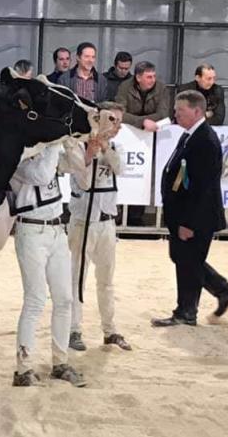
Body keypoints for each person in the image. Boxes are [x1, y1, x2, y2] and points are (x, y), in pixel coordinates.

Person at [152, 90, 228, 327]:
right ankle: (224, 290)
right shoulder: (191, 135)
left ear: (196, 111)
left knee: (188, 261)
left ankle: (186, 312)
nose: (176, 114)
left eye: (180, 110)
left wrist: (188, 223)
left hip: (196, 217)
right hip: (185, 214)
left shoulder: (204, 140)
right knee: (184, 258)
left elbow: (203, 188)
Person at [10, 143, 86, 388]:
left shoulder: (47, 153)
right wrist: (55, 142)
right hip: (31, 229)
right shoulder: (18, 155)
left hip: (56, 229)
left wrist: (77, 146)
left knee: (64, 299)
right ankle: (23, 368)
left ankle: (60, 362)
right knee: (35, 299)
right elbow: (41, 175)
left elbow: (76, 166)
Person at [59, 101, 131, 352]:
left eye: (119, 122)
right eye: (112, 120)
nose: (116, 127)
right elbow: (84, 180)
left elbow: (120, 168)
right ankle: (73, 330)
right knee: (77, 278)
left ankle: (110, 330)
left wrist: (106, 146)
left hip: (107, 222)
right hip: (82, 222)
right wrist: (91, 150)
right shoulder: (78, 144)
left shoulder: (114, 147)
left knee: (106, 280)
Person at [116, 61, 170, 225]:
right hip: (128, 138)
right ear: (138, 77)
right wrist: (141, 122)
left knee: (146, 176)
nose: (152, 80)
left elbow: (163, 113)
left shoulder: (162, 88)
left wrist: (145, 122)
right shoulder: (125, 87)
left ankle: (136, 216)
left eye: (153, 76)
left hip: (154, 138)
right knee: (126, 174)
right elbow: (119, 112)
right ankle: (120, 214)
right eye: (148, 77)